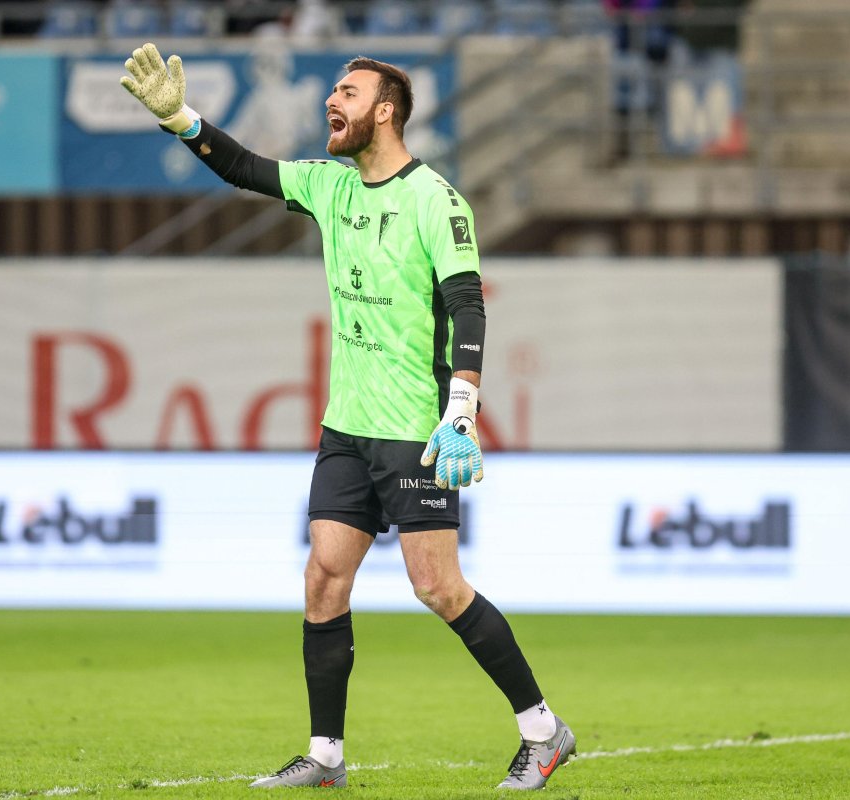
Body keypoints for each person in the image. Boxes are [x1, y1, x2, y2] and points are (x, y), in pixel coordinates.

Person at [120, 44, 575, 791]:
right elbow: (243, 167)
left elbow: (467, 304)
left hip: (414, 428)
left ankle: (543, 730)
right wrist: (181, 119)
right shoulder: (330, 188)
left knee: (438, 589)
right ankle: (325, 756)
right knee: (324, 579)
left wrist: (461, 404)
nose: (331, 102)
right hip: (347, 427)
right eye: (332, 91)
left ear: (385, 110)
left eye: (348, 92)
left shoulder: (436, 199)